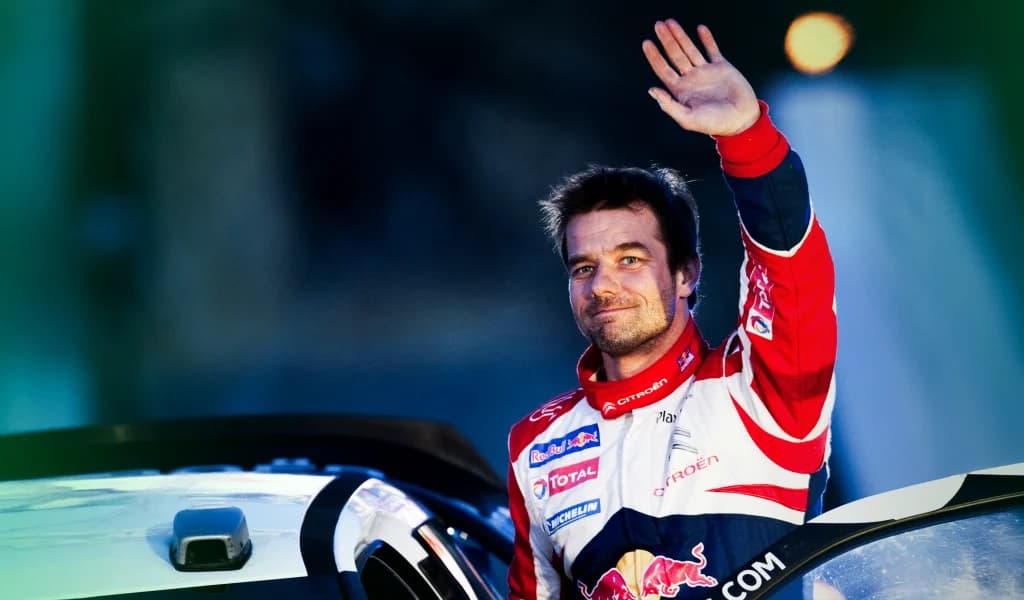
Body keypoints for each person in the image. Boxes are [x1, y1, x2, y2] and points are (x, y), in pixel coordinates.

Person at [506, 18, 837, 600]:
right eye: (583, 268)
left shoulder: (759, 392)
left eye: (630, 259)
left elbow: (793, 273)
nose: (603, 284)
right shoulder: (536, 445)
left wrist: (748, 139)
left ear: (686, 274)